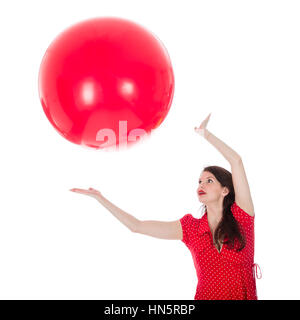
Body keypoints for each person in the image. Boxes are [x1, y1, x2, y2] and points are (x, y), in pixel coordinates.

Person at [70, 113, 261, 300]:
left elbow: (236, 161)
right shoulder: (190, 228)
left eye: (209, 181)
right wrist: (100, 198)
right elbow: (137, 226)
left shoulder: (242, 216)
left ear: (225, 190)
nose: (201, 185)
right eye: (199, 181)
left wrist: (206, 134)